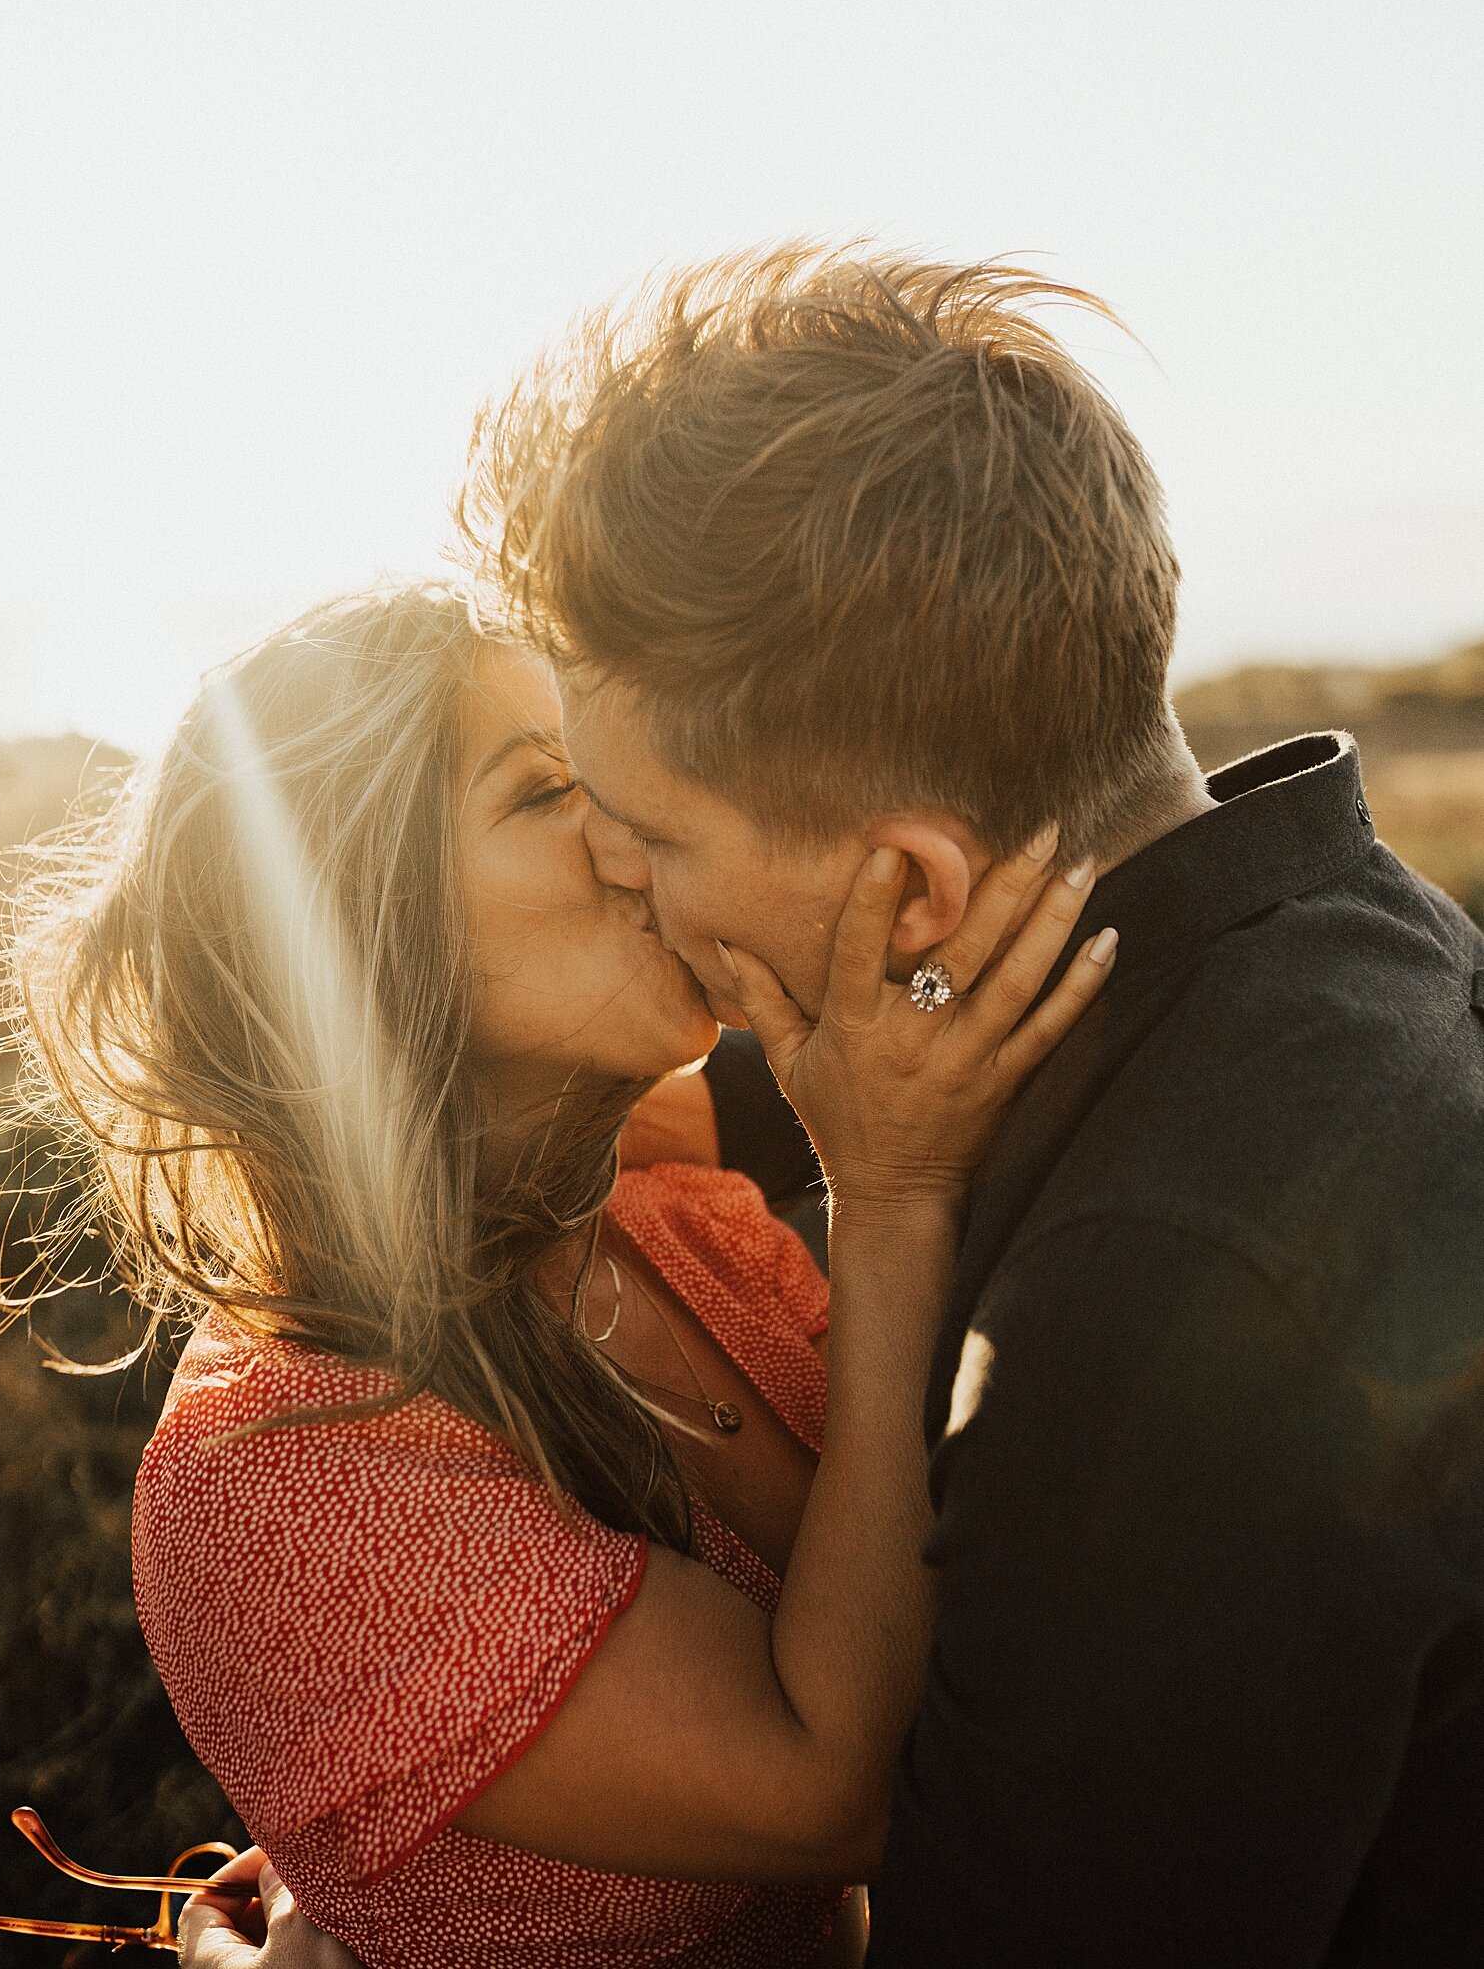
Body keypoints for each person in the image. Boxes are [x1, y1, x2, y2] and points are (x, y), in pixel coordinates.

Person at [452, 246, 1483, 1965]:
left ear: (914, 893)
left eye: (653, 827)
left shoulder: (1153, 1327)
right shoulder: (1337, 929)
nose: (612, 866)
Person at [9, 582, 1111, 1969]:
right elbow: (836, 1786)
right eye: (547, 791)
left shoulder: (675, 1225)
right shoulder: (275, 1480)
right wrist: (890, 1200)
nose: (639, 833)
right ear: (357, 917)